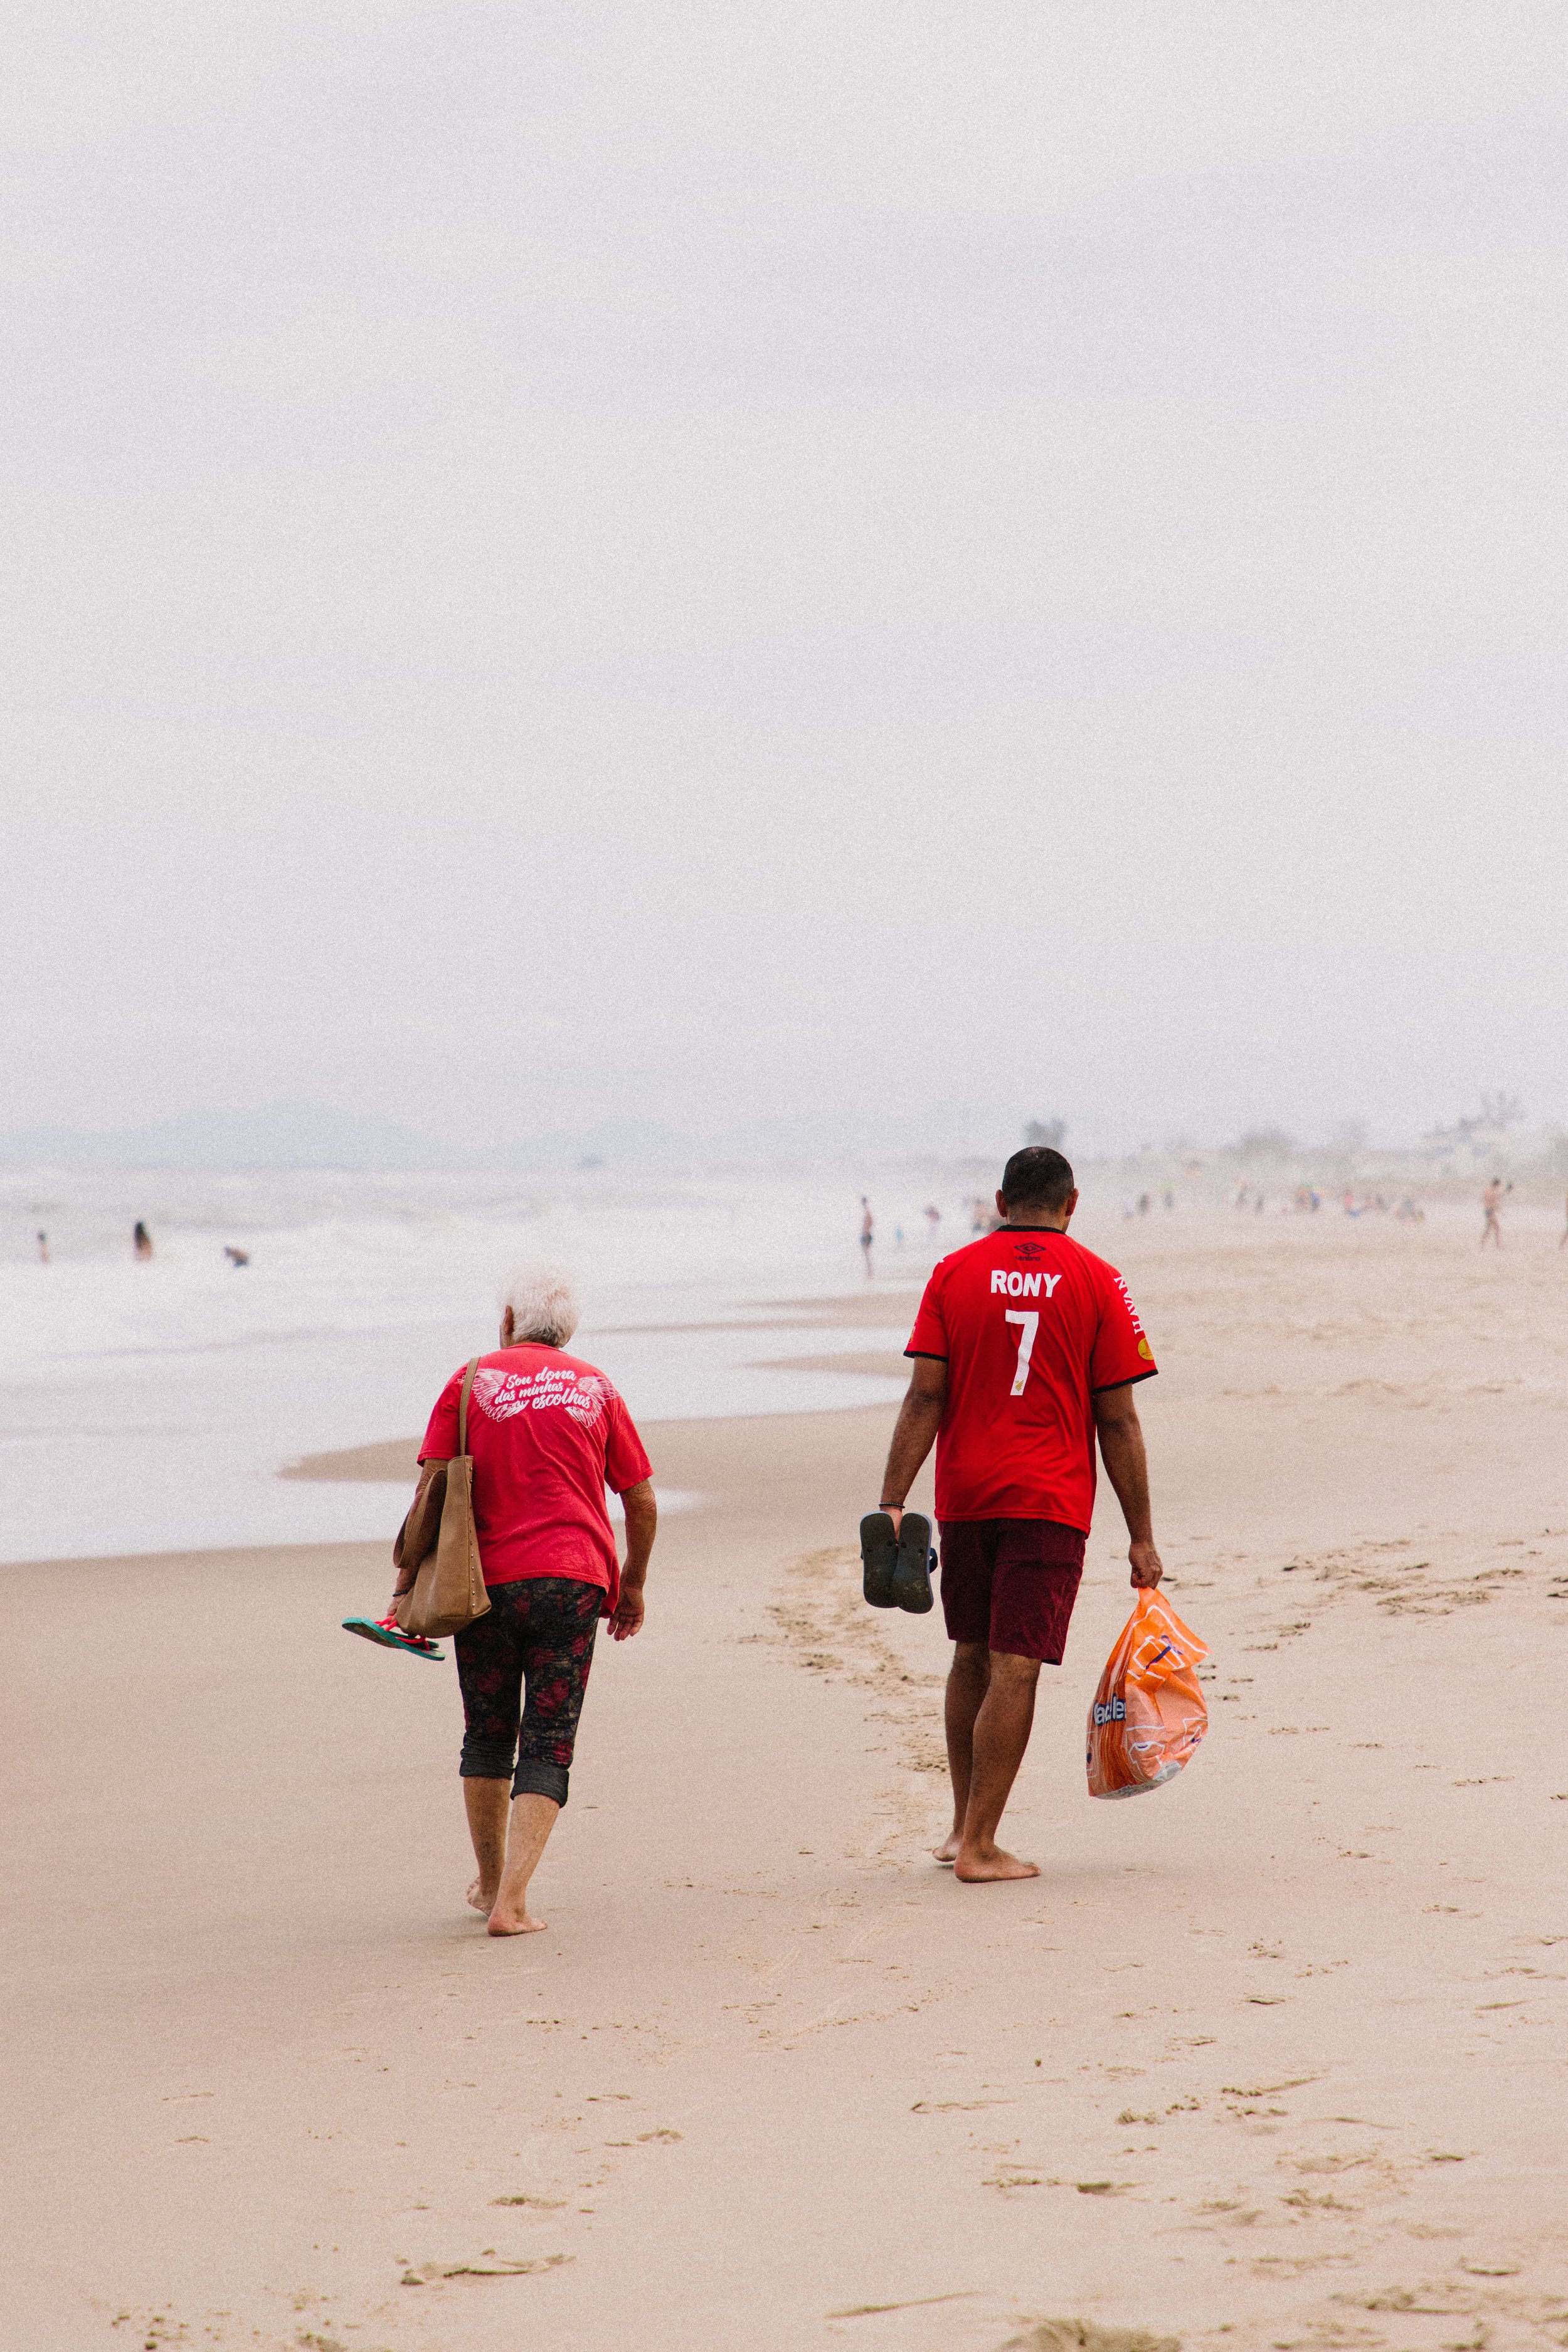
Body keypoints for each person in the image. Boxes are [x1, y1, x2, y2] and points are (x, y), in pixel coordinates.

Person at [874, 1146, 1162, 1885]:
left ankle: (959, 1828)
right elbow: (1118, 1421)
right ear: (1072, 1203)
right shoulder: (1100, 1281)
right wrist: (1140, 1536)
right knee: (1016, 1667)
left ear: (1001, 1199)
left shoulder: (951, 1274)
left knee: (970, 1653)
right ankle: (980, 1846)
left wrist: (892, 1502)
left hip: (964, 1494)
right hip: (1048, 1500)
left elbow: (923, 1398)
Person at [384, 1264, 656, 1937]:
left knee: (487, 1732)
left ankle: (486, 1882)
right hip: (572, 1583)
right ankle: (513, 1901)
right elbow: (640, 1500)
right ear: (568, 1329)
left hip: (485, 1586)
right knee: (549, 1740)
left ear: (508, 1317)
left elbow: (431, 1493)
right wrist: (633, 1584)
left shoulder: (469, 1379)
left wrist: (403, 1585)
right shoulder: (597, 1387)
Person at [1481, 1178, 1510, 1249]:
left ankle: (1483, 1244)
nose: (1498, 1187)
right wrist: (1501, 1211)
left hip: (1488, 1211)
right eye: (1498, 1186)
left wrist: (1506, 1191)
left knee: (1489, 1229)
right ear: (1496, 1185)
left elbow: (1496, 1197)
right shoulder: (1492, 1192)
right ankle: (1499, 1246)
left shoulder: (1488, 1191)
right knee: (1497, 1228)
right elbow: (1494, 1203)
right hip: (1490, 1212)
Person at [859, 1196, 875, 1280]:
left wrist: (865, 1234)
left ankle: (870, 1272)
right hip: (866, 1234)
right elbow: (871, 1221)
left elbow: (870, 1222)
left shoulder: (868, 1212)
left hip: (867, 1235)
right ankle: (869, 1272)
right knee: (867, 1254)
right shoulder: (867, 1212)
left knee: (867, 1254)